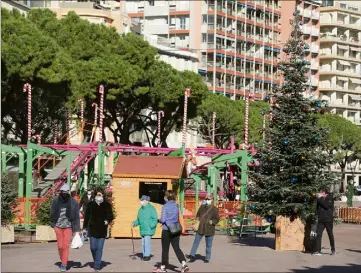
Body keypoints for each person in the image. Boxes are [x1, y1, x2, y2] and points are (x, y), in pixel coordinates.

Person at [153, 190, 189, 273]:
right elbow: (177, 217)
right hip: (176, 229)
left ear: (167, 197)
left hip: (167, 230)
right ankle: (184, 264)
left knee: (165, 249)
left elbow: (163, 219)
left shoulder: (165, 206)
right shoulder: (176, 206)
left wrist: (159, 220)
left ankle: (163, 267)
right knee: (177, 248)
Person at [50, 184, 81, 272]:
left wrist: (77, 230)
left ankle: (64, 264)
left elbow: (76, 216)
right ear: (60, 192)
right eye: (62, 192)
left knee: (65, 245)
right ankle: (63, 258)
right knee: (60, 246)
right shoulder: (55, 201)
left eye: (66, 192)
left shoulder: (73, 202)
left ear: (68, 192)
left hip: (68, 226)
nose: (64, 193)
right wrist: (53, 224)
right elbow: (52, 212)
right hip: (58, 226)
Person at [83, 188, 114, 272]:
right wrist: (84, 227)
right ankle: (97, 260)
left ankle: (97, 265)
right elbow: (87, 217)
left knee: (99, 248)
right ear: (95, 195)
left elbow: (111, 215)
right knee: (93, 247)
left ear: (103, 195)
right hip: (92, 229)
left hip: (102, 229)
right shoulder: (90, 204)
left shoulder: (107, 205)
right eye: (97, 195)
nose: (99, 196)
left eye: (100, 195)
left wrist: (107, 220)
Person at [186, 194, 220, 263]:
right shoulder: (202, 207)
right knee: (196, 242)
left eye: (209, 199)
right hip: (201, 227)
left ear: (212, 200)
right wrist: (197, 219)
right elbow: (198, 215)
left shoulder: (214, 209)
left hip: (209, 228)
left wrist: (212, 222)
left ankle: (207, 258)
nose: (207, 200)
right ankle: (192, 255)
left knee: (208, 244)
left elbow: (217, 218)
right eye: (206, 199)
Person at [132, 195, 158, 261]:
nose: (141, 201)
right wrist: (134, 223)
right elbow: (138, 219)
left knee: (147, 242)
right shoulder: (141, 209)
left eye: (142, 200)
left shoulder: (152, 208)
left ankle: (147, 255)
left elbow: (155, 218)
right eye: (141, 200)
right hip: (143, 228)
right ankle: (144, 255)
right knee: (143, 243)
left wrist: (151, 225)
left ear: (146, 201)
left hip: (148, 228)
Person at [312, 188, 335, 256]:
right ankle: (318, 250)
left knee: (330, 234)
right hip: (321, 220)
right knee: (318, 234)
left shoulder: (330, 198)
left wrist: (319, 198)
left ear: (324, 193)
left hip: (328, 220)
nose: (319, 193)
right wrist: (316, 214)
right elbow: (317, 208)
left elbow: (326, 206)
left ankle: (333, 249)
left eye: (321, 192)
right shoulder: (320, 199)